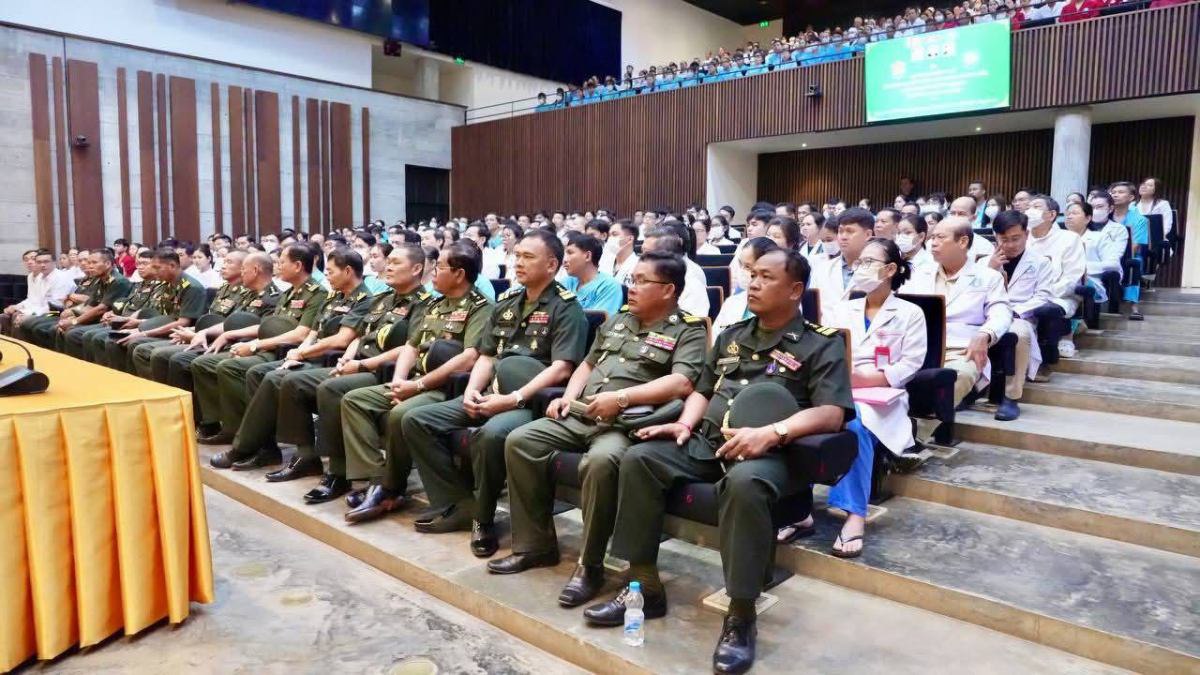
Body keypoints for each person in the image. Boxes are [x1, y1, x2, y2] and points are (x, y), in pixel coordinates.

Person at [585, 249, 852, 675]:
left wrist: (774, 432)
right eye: (752, 275)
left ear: (795, 290)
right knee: (640, 458)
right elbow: (703, 390)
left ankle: (741, 614)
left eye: (766, 277)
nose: (754, 283)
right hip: (707, 441)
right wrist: (683, 425)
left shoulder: (821, 342)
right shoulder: (732, 335)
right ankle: (644, 587)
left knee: (744, 485)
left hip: (769, 452)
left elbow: (832, 413)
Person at [489, 251, 708, 611]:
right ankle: (535, 545)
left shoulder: (689, 329)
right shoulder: (620, 319)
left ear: (668, 289)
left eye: (641, 281)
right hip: (582, 413)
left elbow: (682, 382)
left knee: (601, 462)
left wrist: (621, 399)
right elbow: (588, 364)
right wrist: (567, 397)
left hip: (625, 424)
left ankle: (589, 565)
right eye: (632, 280)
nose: (631, 288)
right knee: (521, 440)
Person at [404, 230, 588, 555]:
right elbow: (486, 355)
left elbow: (562, 368)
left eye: (528, 257)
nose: (518, 262)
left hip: (531, 402)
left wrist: (513, 399)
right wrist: (471, 391)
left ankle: (483, 518)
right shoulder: (507, 303)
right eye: (517, 256)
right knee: (416, 420)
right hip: (492, 392)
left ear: (552, 265)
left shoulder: (566, 308)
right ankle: (457, 503)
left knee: (490, 435)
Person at [789, 237, 925, 557]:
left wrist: (865, 378)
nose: (860, 267)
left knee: (854, 421)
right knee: (798, 416)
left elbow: (910, 364)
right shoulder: (842, 308)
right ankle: (798, 508)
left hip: (883, 396)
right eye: (859, 262)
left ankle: (855, 514)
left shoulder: (910, 313)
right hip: (838, 386)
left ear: (890, 270)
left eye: (869, 262)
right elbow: (822, 349)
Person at [339, 241, 493, 523]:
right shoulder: (435, 304)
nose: (432, 273)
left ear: (459, 274)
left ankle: (390, 488)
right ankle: (376, 480)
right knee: (355, 400)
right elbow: (411, 347)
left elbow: (469, 357)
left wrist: (417, 387)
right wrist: (399, 381)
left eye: (439, 267)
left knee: (401, 413)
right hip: (414, 381)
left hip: (446, 388)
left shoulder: (480, 307)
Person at [212, 248, 377, 472]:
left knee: (276, 378)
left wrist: (302, 353)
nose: (326, 276)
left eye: (330, 271)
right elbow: (313, 332)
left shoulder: (365, 300)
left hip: (331, 360)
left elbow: (342, 339)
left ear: (347, 271)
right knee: (256, 373)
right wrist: (298, 351)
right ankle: (265, 448)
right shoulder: (334, 296)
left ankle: (246, 447)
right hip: (313, 356)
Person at [193, 244, 328, 449]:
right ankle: (235, 428)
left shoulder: (317, 294)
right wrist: (240, 338)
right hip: (271, 347)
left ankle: (251, 436)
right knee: (208, 363)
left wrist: (255, 345)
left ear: (298, 266)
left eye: (282, 262)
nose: (277, 266)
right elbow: (266, 326)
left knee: (231, 367)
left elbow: (300, 334)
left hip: (287, 353)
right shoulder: (289, 293)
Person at [901, 217, 1012, 407]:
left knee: (960, 374)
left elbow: (1001, 313)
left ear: (962, 241)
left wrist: (985, 334)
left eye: (940, 237)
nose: (933, 243)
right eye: (932, 237)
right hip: (916, 345)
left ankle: (922, 422)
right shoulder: (918, 274)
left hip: (961, 349)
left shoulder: (988, 277)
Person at [987, 211, 1058, 421]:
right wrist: (990, 270)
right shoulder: (985, 263)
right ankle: (969, 388)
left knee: (1019, 334)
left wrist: (1016, 311)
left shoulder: (1040, 262)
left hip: (1019, 315)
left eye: (1015, 238)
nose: (1010, 245)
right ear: (996, 237)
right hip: (987, 313)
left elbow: (1044, 296)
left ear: (1026, 234)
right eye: (1004, 239)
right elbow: (973, 293)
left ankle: (1012, 396)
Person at [104, 248, 208, 372]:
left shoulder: (191, 287)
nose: (154, 271)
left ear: (172, 266)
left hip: (182, 334)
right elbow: (162, 316)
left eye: (157, 268)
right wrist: (138, 327)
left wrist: (144, 333)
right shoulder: (167, 283)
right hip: (166, 328)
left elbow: (182, 323)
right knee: (116, 339)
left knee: (135, 344)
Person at [1022, 195, 1087, 362]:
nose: (1030, 211)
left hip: (1058, 296)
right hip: (1023, 295)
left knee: (1045, 309)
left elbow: (1071, 278)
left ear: (1051, 215)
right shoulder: (1022, 238)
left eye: (1036, 207)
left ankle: (1048, 357)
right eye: (1028, 207)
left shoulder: (1069, 239)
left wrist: (1042, 296)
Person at [809, 207, 874, 319]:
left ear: (868, 235)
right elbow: (811, 308)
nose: (843, 237)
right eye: (840, 231)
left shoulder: (878, 270)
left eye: (850, 231)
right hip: (824, 329)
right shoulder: (822, 269)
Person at [712, 237, 778, 343]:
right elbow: (714, 341)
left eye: (747, 267)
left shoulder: (784, 305)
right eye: (740, 264)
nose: (741, 271)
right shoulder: (732, 302)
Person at [2, 249, 75, 336]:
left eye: (46, 262)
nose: (42, 265)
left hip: (58, 313)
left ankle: (22, 343)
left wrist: (30, 314)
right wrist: (18, 307)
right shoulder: (41, 277)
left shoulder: (61, 278)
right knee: (10, 316)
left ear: (54, 262)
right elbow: (34, 300)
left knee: (24, 320)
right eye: (39, 262)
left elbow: (56, 306)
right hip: (43, 310)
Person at [641, 228, 710, 318]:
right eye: (642, 252)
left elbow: (690, 324)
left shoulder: (691, 286)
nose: (642, 258)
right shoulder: (641, 281)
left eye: (647, 253)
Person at [1064, 201, 1119, 307]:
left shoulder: (1100, 237)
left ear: (1088, 218)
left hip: (1089, 280)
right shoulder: (1058, 238)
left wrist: (1081, 268)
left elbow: (1113, 264)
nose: (1069, 217)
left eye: (1074, 213)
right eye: (1067, 214)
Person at [1110, 181, 1150, 320]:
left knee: (1134, 262)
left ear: (1131, 197)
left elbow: (1135, 246)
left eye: (1120, 192)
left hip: (1128, 255)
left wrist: (1114, 255)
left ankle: (1133, 306)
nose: (1115, 195)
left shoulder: (1140, 220)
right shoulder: (1104, 216)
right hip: (1103, 254)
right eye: (1113, 192)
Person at [561, 233, 624, 317]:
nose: (564, 260)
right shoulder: (566, 282)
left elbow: (599, 321)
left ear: (587, 256)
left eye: (570, 253)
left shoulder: (608, 286)